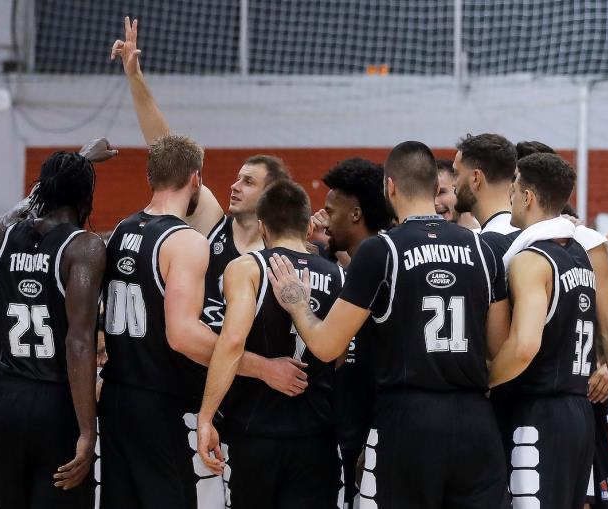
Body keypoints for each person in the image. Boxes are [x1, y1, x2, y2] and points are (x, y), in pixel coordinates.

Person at [264, 141, 511, 508]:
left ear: (390, 187)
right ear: (435, 186)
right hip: (475, 420)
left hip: (408, 420)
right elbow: (499, 347)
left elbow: (326, 347)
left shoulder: (381, 251)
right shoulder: (483, 250)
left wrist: (298, 304)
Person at [98, 134, 310, 509]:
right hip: (161, 401)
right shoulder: (187, 240)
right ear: (196, 179)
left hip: (116, 397)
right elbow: (183, 336)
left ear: (149, 176)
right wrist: (263, 368)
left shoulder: (121, 230)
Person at [110, 17, 291, 333]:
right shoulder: (214, 225)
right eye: (238, 178)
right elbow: (166, 150)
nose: (234, 186)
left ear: (272, 192)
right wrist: (135, 76)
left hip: (248, 361)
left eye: (248, 181)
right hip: (197, 356)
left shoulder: (282, 254)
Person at [489, 153, 608, 509]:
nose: (510, 195)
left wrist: (481, 382)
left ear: (527, 196)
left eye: (515, 186)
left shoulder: (531, 260)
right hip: (580, 414)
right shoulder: (589, 253)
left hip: (537, 413)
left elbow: (524, 347)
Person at [197, 180, 345, 508]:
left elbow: (231, 342)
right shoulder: (339, 276)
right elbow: (339, 356)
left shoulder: (247, 268)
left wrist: (206, 417)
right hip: (316, 436)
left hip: (256, 434)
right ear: (309, 227)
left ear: (262, 227)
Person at [0, 151, 105, 508]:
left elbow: (19, 210)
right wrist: (87, 431)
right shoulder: (84, 246)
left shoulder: (6, 232)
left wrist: (78, 159)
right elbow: (79, 343)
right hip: (56, 403)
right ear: (86, 199)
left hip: (7, 398)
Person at [317, 158, 393, 507]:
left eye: (331, 211)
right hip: (348, 433)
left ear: (356, 214)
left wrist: (298, 304)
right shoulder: (354, 269)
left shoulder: (383, 268)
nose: (324, 220)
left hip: (371, 439)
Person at [435, 159, 481, 230]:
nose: (435, 202)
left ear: (458, 189)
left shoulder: (487, 232)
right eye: (429, 196)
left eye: (441, 192)